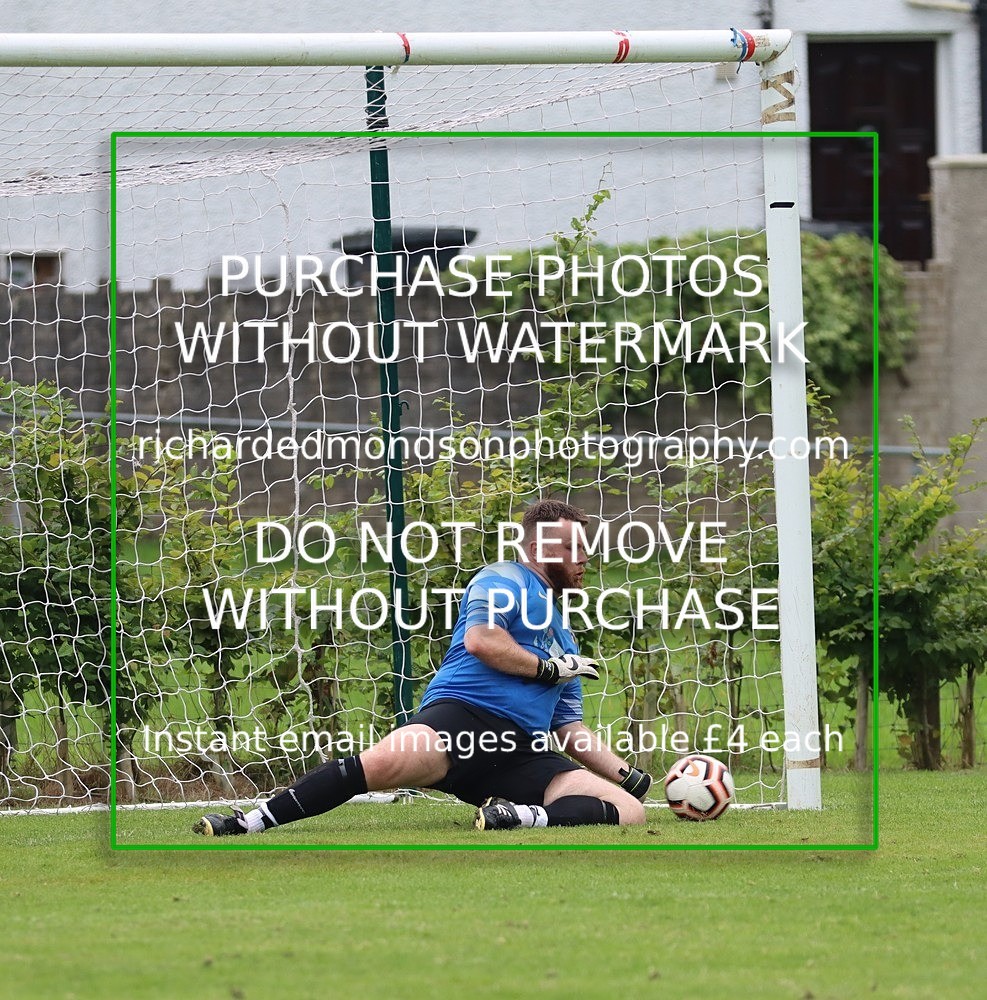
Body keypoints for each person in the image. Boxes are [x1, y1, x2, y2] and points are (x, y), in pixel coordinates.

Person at [193, 498, 651, 836]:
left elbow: (568, 727)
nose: (585, 558)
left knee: (629, 809)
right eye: (572, 548)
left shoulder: (564, 635)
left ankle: (519, 816)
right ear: (539, 548)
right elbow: (481, 641)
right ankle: (249, 822)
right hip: (464, 719)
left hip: (519, 753)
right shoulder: (504, 578)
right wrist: (551, 670)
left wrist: (628, 776)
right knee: (378, 764)